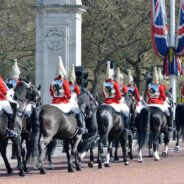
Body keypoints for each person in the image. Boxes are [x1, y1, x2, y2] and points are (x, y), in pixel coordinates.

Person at [50, 57, 86, 134]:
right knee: (78, 111)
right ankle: (81, 127)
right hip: (63, 102)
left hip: (54, 102)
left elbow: (51, 93)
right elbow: (69, 95)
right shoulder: (66, 82)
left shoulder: (53, 82)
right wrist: (68, 97)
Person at [68, 64, 88, 134]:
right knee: (79, 112)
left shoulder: (65, 85)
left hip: (64, 102)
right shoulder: (75, 86)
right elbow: (79, 93)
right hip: (72, 102)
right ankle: (82, 127)